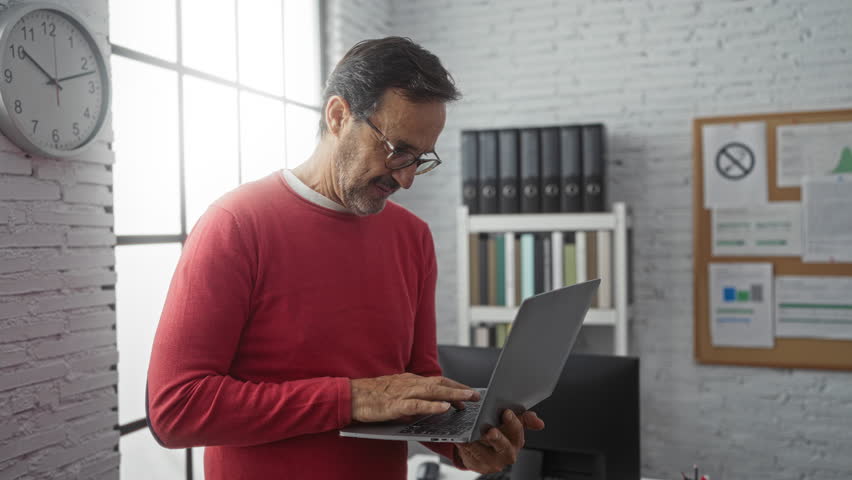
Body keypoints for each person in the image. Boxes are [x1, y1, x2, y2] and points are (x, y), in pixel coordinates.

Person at [146, 36, 544, 480]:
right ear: (338, 116)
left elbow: (415, 386)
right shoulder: (235, 224)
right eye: (397, 151)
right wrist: (351, 399)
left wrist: (464, 446)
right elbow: (176, 409)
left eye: (421, 158)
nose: (407, 179)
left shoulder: (412, 237)